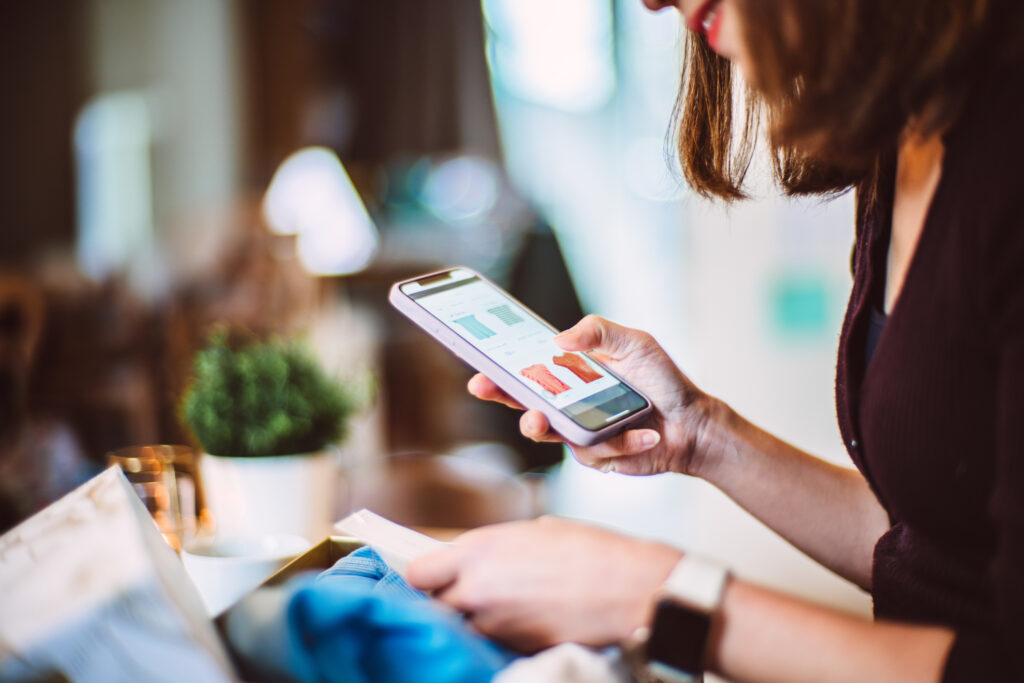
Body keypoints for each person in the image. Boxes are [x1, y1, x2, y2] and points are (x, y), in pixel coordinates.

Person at [407, 0, 1024, 680]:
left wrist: (651, 594)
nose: (650, 2)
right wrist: (700, 433)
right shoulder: (902, 149)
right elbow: (936, 551)